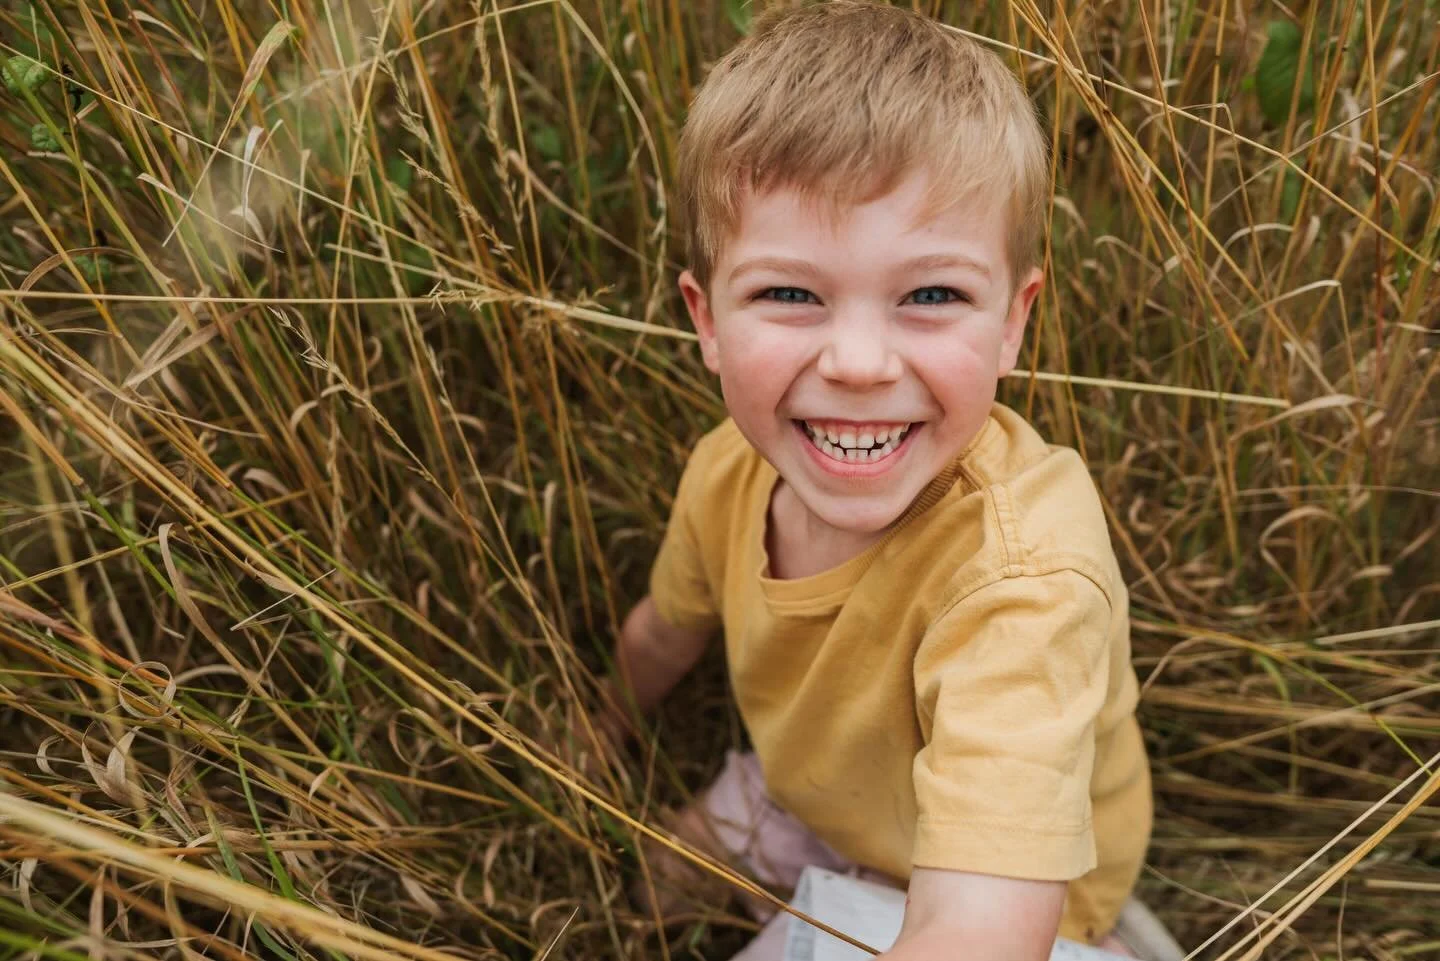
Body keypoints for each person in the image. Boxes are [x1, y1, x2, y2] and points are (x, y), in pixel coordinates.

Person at [595, 4, 1182, 959]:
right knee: (648, 883)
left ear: (1011, 322)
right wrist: (601, 727)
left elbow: (980, 928)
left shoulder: (1023, 583)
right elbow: (665, 629)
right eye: (789, 293)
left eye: (932, 295)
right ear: (706, 320)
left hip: (1016, 897)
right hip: (828, 794)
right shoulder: (727, 474)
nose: (860, 362)